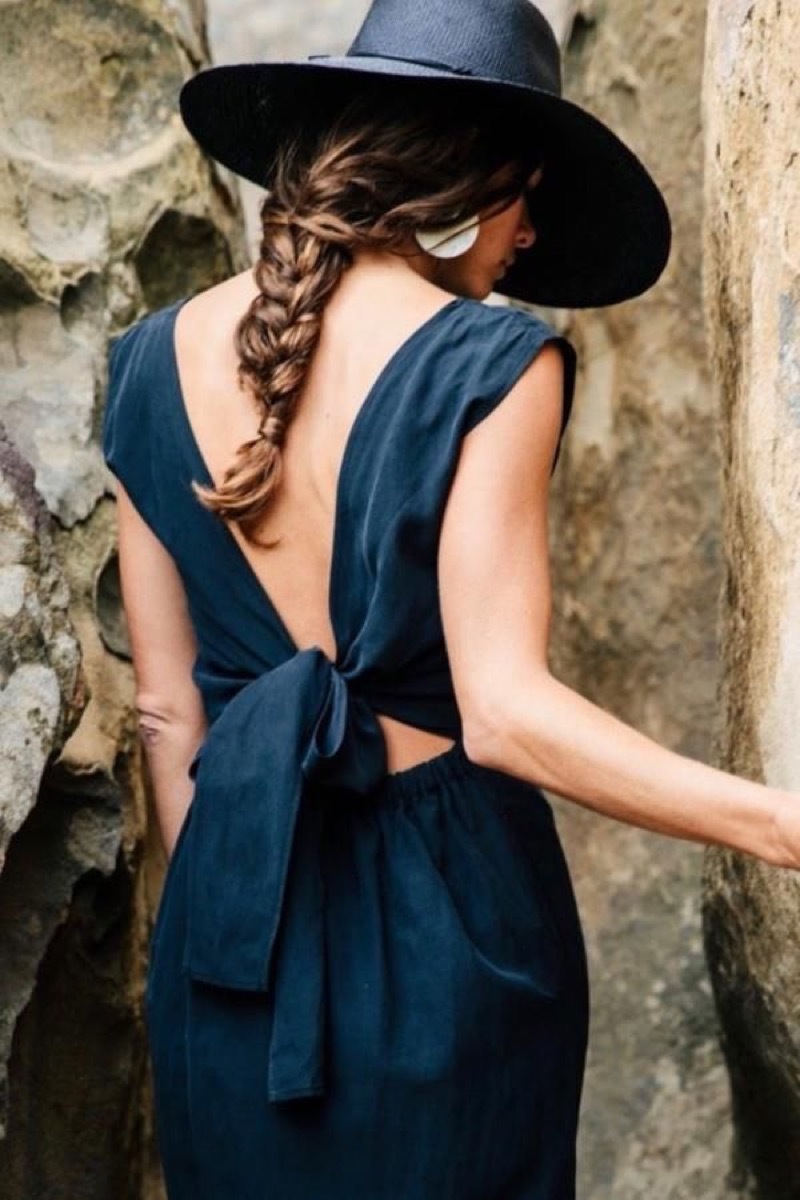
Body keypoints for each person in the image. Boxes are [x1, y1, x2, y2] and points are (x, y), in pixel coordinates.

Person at [102, 0, 800, 1196]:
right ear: (472, 182)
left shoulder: (145, 360)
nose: (527, 239)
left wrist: (237, 907)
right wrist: (777, 825)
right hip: (444, 930)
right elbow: (503, 713)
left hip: (228, 939)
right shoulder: (496, 362)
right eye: (527, 197)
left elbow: (168, 715)